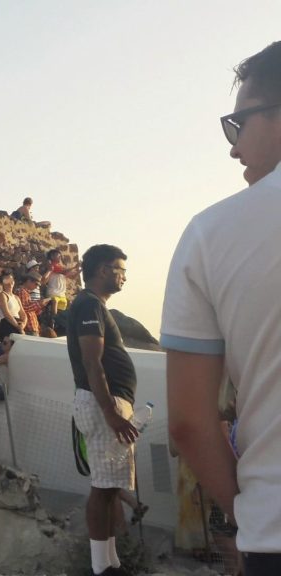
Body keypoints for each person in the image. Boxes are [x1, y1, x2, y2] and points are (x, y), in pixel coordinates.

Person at [164, 41, 281, 576]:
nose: (234, 150)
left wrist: (250, 512)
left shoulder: (212, 235)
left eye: (238, 125)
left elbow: (189, 421)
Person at [67, 244, 135, 576]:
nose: (124, 276)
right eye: (120, 269)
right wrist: (110, 411)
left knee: (109, 488)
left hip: (105, 403)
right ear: (103, 271)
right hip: (101, 404)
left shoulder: (92, 305)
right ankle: (100, 566)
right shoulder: (90, 305)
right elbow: (92, 362)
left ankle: (110, 562)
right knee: (102, 487)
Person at [43, 249, 80, 314]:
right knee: (55, 307)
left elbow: (72, 277)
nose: (60, 256)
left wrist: (80, 270)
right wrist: (74, 267)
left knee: (61, 313)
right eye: (58, 255)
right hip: (53, 293)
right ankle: (53, 321)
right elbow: (63, 271)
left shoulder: (62, 268)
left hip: (62, 295)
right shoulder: (52, 265)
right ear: (52, 256)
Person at [0, 271, 26, 341]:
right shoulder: (2, 295)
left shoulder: (17, 298)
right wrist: (18, 327)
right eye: (6, 280)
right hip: (7, 324)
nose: (9, 283)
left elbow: (23, 314)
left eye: (11, 280)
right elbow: (7, 314)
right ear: (2, 283)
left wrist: (23, 324)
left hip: (18, 324)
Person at [16, 271, 50, 336]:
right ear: (29, 281)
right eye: (36, 284)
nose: (36, 287)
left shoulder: (26, 293)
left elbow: (30, 311)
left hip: (32, 328)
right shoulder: (21, 291)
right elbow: (24, 309)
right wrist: (39, 303)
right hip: (28, 328)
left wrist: (41, 306)